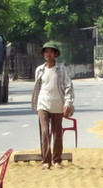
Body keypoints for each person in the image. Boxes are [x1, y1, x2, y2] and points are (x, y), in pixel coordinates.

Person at [31, 41, 75, 170]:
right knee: (44, 132)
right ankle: (46, 160)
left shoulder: (61, 68)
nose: (48, 54)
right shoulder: (39, 70)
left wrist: (68, 103)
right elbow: (37, 88)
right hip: (43, 104)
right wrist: (36, 104)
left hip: (58, 105)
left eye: (51, 51)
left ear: (56, 54)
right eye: (46, 51)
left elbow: (68, 86)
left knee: (57, 133)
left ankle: (57, 160)